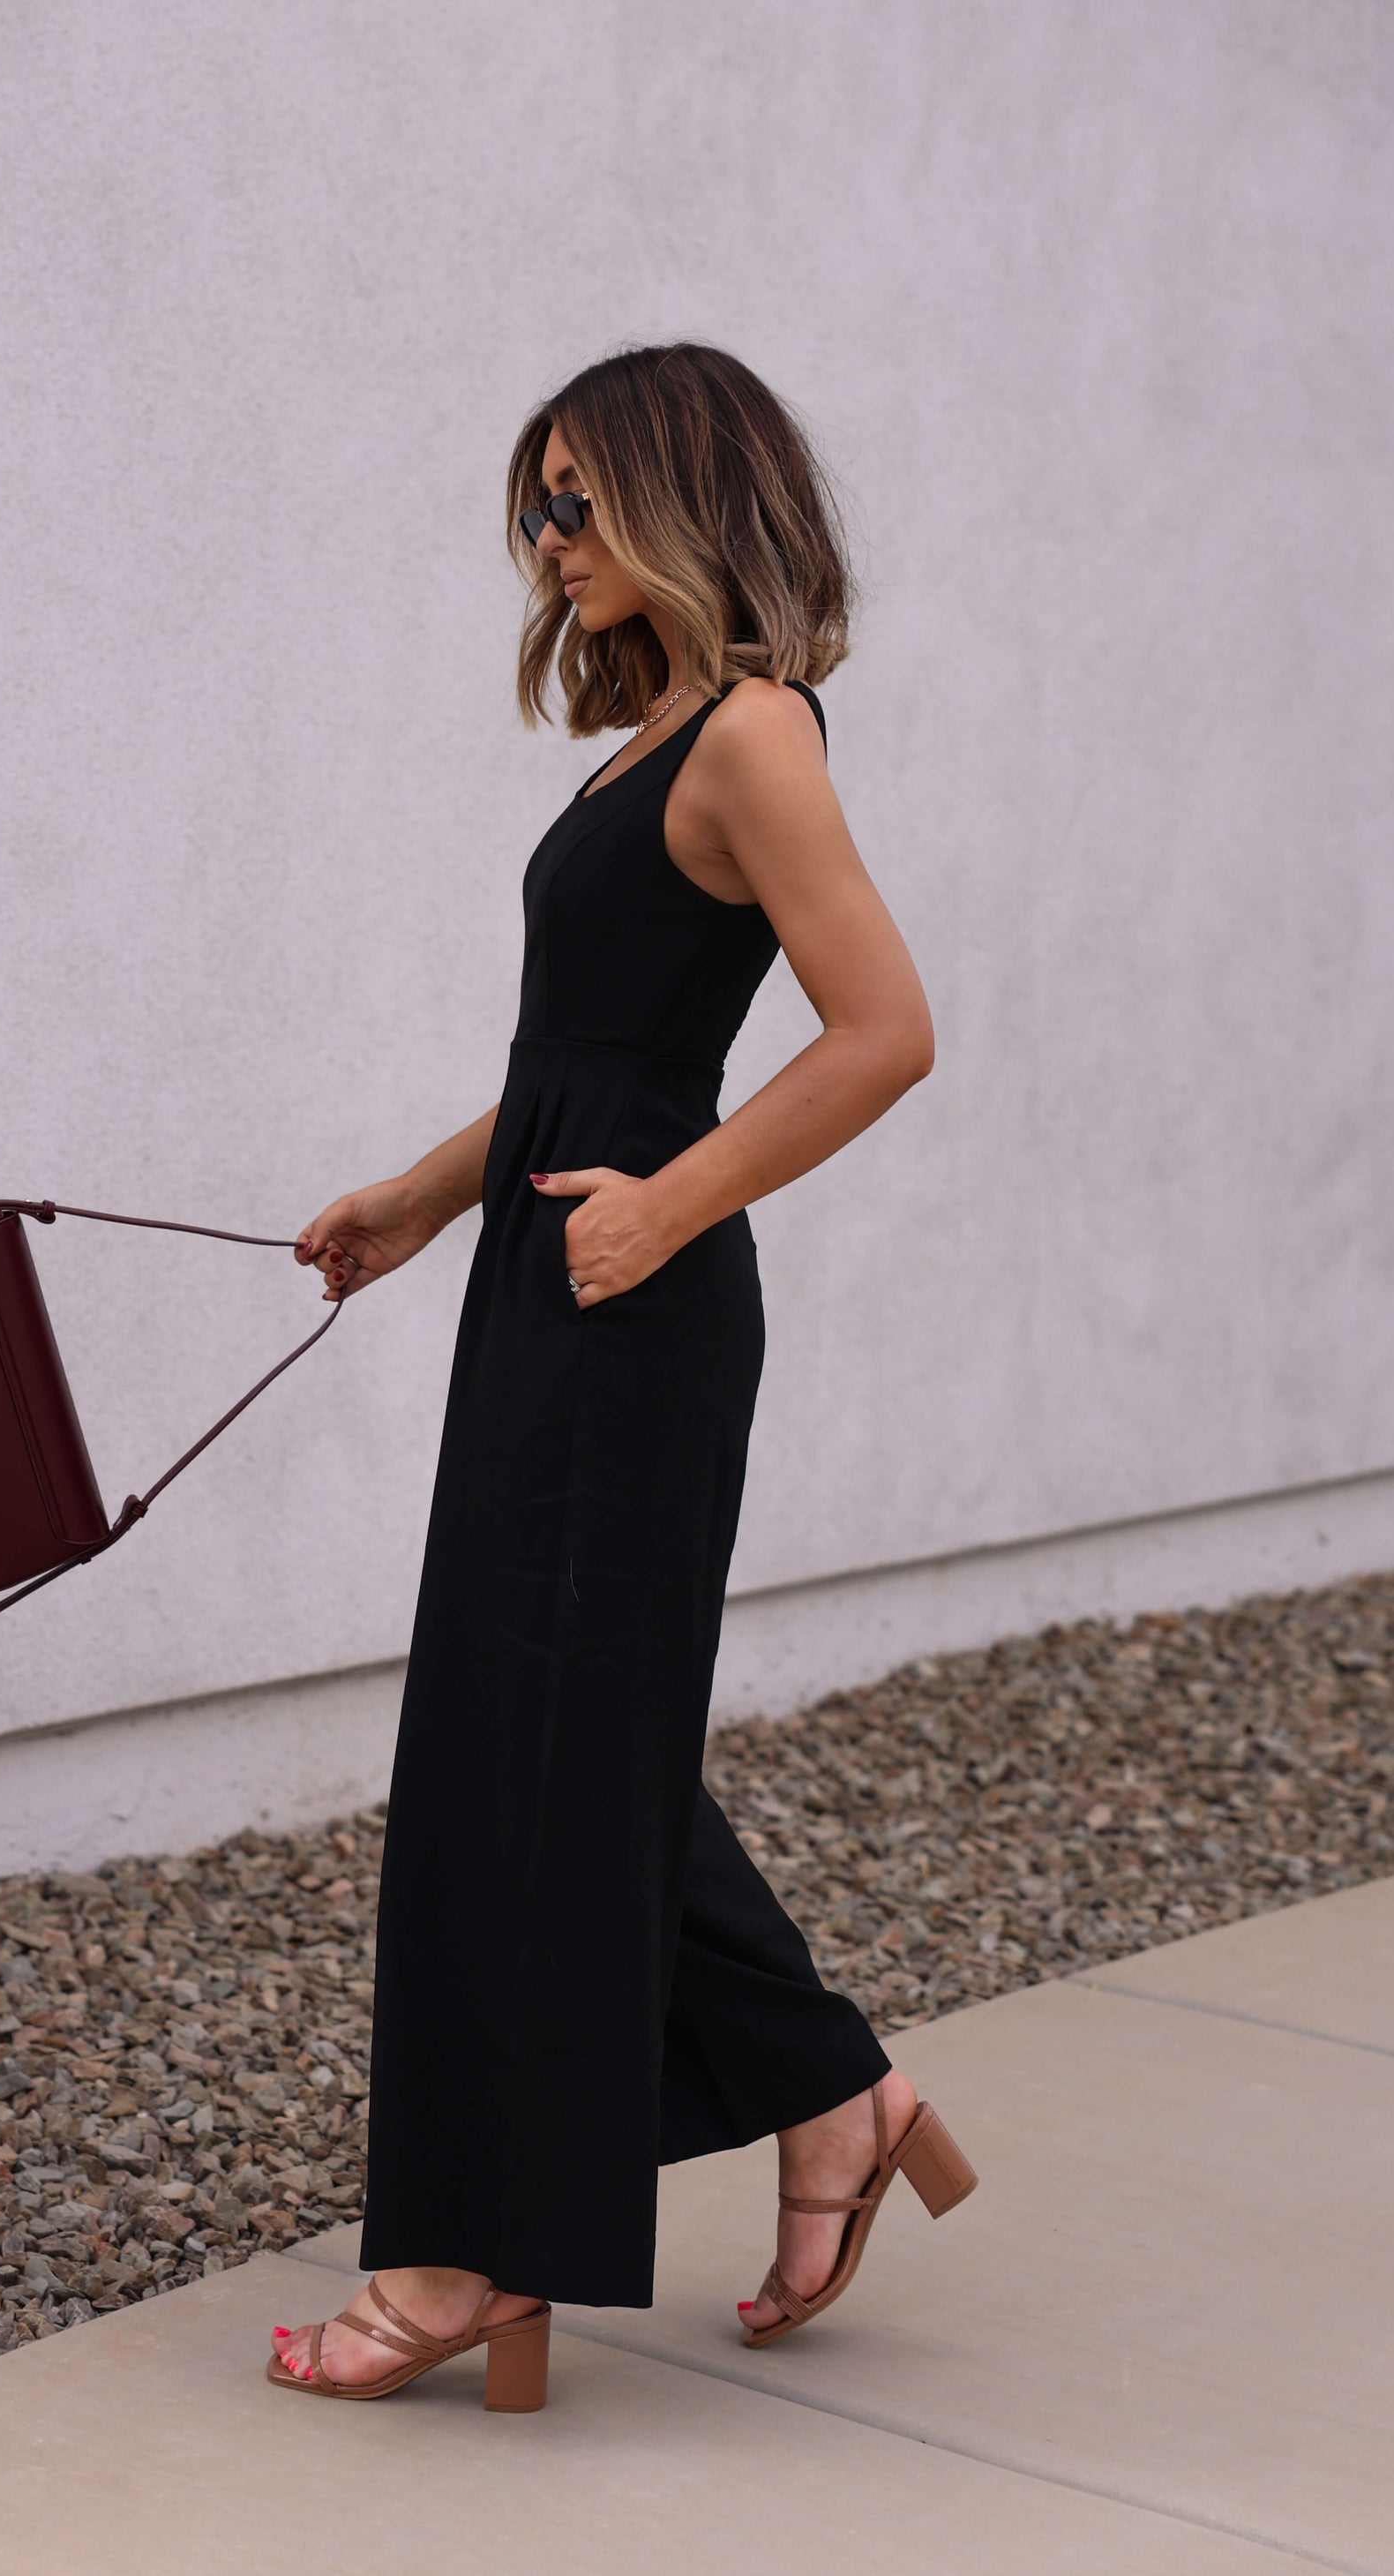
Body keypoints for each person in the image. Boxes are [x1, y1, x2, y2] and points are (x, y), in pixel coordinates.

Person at [268, 342, 975, 2410]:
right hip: (537, 1280)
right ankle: (830, 2095)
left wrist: (668, 1209)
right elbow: (581, 1063)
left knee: (535, 1752)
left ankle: (470, 2251)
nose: (547, 543)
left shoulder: (753, 735)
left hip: (629, 1307)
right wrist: (414, 1198)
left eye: (576, 502)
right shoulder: (642, 741)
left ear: (680, 495)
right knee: (544, 1734)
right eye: (531, 510)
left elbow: (882, 1030)